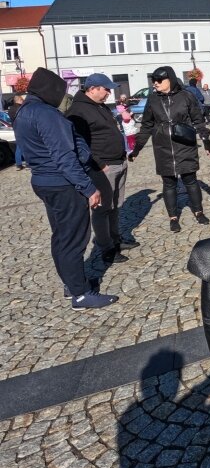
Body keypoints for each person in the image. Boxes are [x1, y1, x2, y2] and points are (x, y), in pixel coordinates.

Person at [12, 68, 119, 310]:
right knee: (73, 238)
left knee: (61, 236)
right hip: (62, 183)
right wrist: (88, 188)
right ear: (50, 91)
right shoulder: (47, 114)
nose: (62, 97)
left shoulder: (24, 111)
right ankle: (80, 295)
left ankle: (72, 283)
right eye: (60, 92)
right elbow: (64, 156)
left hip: (43, 180)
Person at [129, 66, 210, 232]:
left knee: (190, 180)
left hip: (185, 144)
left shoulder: (186, 96)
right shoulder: (153, 100)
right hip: (163, 147)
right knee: (168, 184)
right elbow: (146, 125)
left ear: (170, 79)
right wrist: (137, 148)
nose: (155, 83)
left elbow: (198, 120)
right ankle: (173, 217)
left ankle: (198, 211)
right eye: (153, 81)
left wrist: (206, 141)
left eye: (159, 80)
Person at [67, 73, 137, 264]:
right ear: (92, 88)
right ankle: (106, 248)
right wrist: (99, 164)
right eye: (106, 89)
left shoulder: (100, 106)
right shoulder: (78, 110)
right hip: (102, 167)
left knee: (115, 206)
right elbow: (79, 143)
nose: (109, 93)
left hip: (118, 161)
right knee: (102, 209)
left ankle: (115, 240)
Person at [8, 93, 25, 170]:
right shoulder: (21, 108)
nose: (23, 101)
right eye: (22, 99)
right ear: (19, 100)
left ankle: (18, 164)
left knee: (19, 147)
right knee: (26, 146)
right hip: (23, 128)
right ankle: (30, 162)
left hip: (16, 129)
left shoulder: (11, 109)